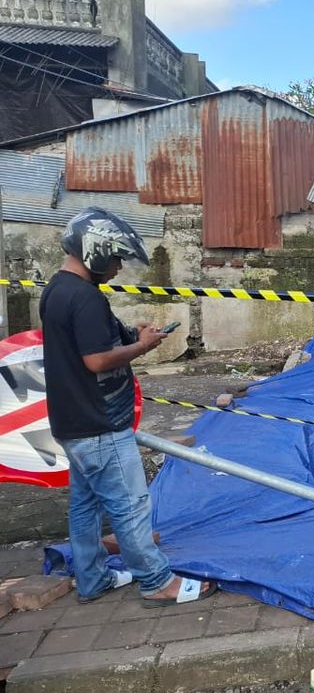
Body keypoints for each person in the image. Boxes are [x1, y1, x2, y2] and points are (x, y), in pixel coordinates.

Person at [41, 209, 218, 608]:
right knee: (131, 505)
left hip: (72, 423)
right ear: (97, 251)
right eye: (117, 258)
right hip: (99, 424)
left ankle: (92, 578)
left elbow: (89, 343)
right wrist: (143, 346)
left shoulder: (58, 289)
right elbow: (97, 360)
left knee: (85, 507)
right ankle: (156, 580)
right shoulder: (84, 296)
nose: (119, 267)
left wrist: (132, 334)